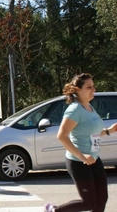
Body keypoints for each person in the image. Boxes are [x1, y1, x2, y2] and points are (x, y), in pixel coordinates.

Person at [44, 73, 117, 212]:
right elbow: (62, 136)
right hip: (78, 162)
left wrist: (109, 131)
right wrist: (82, 156)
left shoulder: (89, 107)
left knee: (101, 201)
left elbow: (91, 132)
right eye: (89, 87)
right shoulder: (74, 109)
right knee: (89, 203)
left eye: (93, 86)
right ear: (78, 89)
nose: (93, 89)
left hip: (94, 159)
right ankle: (53, 210)